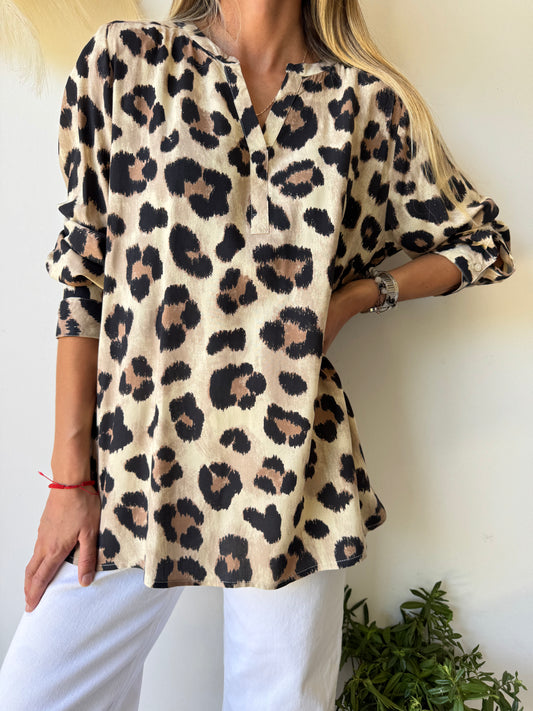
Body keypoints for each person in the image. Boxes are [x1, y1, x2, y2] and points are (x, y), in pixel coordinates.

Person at [0, 0, 516, 709]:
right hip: (137, 461)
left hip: (296, 470)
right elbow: (84, 280)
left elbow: (483, 244)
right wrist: (69, 481)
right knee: (34, 694)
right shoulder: (130, 61)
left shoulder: (363, 101)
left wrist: (355, 297)